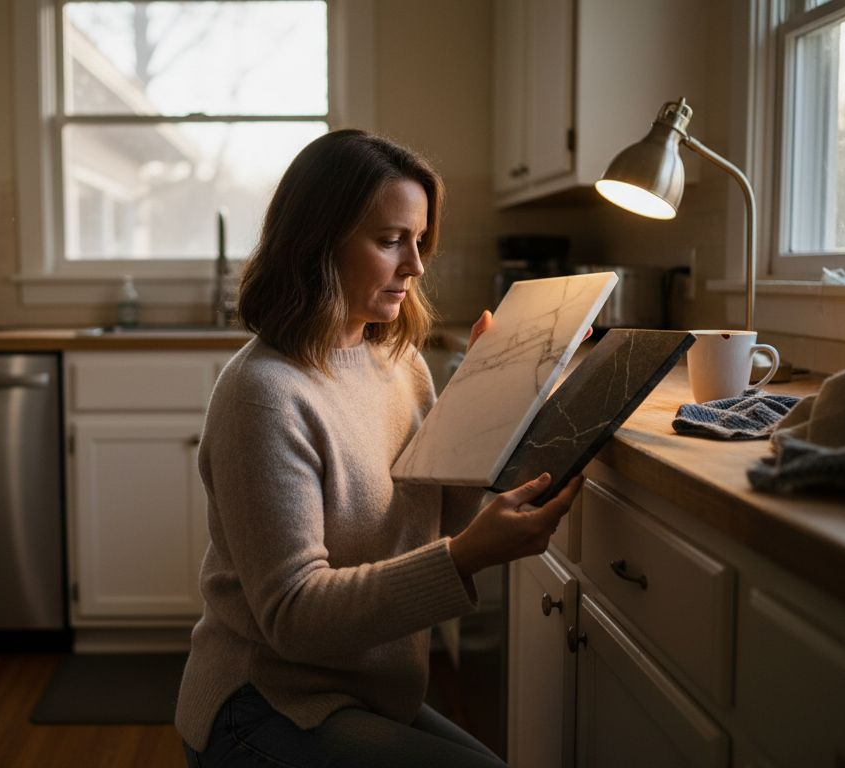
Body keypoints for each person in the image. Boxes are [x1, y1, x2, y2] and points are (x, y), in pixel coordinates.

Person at [176, 128, 582, 768]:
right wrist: (467, 557)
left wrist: (488, 402)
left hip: (365, 693)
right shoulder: (264, 393)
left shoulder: (400, 364)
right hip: (265, 704)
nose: (416, 266)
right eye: (391, 240)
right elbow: (294, 614)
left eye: (420, 241)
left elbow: (439, 524)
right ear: (316, 246)